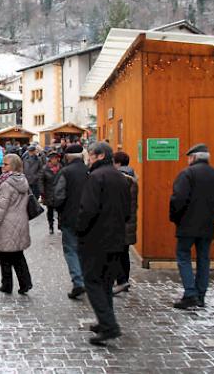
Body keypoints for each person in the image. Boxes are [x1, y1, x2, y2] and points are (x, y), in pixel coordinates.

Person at [76, 141, 130, 346]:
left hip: (95, 239)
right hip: (116, 238)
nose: (88, 158)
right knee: (106, 282)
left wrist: (80, 229)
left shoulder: (96, 177)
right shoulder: (120, 177)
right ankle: (104, 320)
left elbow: (87, 209)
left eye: (90, 155)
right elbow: (127, 211)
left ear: (99, 156)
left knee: (93, 282)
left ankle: (109, 326)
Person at [170, 143, 214, 309]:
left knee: (183, 257)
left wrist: (176, 218)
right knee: (204, 259)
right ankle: (200, 296)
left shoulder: (187, 174)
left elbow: (178, 199)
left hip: (186, 225)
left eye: (189, 157)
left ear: (193, 157)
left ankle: (190, 294)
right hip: (207, 226)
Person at [0, 154, 32, 295]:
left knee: (5, 257)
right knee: (18, 255)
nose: (2, 166)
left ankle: (6, 285)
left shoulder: (6, 183)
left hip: (7, 223)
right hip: (21, 221)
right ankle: (25, 283)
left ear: (14, 166)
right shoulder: (22, 179)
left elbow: (1, 208)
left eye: (6, 164)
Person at [55, 144, 88, 299]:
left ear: (68, 157)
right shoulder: (90, 171)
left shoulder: (65, 172)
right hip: (89, 217)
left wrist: (58, 208)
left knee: (71, 250)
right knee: (84, 250)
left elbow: (59, 196)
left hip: (70, 217)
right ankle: (86, 280)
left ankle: (78, 281)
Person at [112, 151, 139, 295]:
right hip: (130, 221)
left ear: (118, 163)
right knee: (124, 253)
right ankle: (124, 280)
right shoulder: (133, 178)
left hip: (120, 221)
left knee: (115, 253)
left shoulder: (121, 178)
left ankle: (121, 281)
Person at [41, 151, 63, 235]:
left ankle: (60, 224)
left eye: (56, 158)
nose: (54, 160)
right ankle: (51, 226)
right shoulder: (45, 168)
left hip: (59, 193)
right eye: (52, 158)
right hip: (48, 193)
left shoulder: (61, 168)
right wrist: (42, 192)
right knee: (50, 211)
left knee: (60, 210)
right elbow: (41, 180)